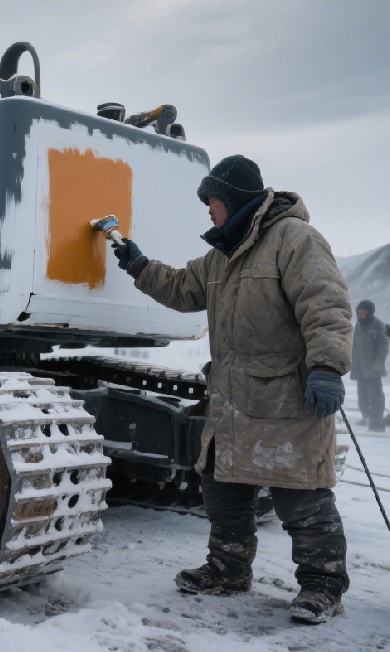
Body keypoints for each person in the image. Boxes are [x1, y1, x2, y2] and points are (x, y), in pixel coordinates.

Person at [111, 155, 352, 624]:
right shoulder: (220, 256)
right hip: (232, 400)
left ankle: (323, 584)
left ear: (235, 199)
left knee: (301, 493)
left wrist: (326, 366)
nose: (208, 210)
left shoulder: (295, 240)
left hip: (286, 396)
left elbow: (326, 303)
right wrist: (137, 265)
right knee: (222, 488)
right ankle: (228, 568)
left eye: (213, 200)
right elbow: (181, 289)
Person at [351, 299, 389, 431]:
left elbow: (383, 346)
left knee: (375, 395)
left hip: (373, 368)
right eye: (359, 312)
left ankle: (377, 421)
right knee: (362, 395)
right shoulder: (358, 326)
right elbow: (355, 347)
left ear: (370, 312)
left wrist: (379, 362)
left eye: (363, 312)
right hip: (360, 368)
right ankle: (366, 416)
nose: (360, 314)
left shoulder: (378, 325)